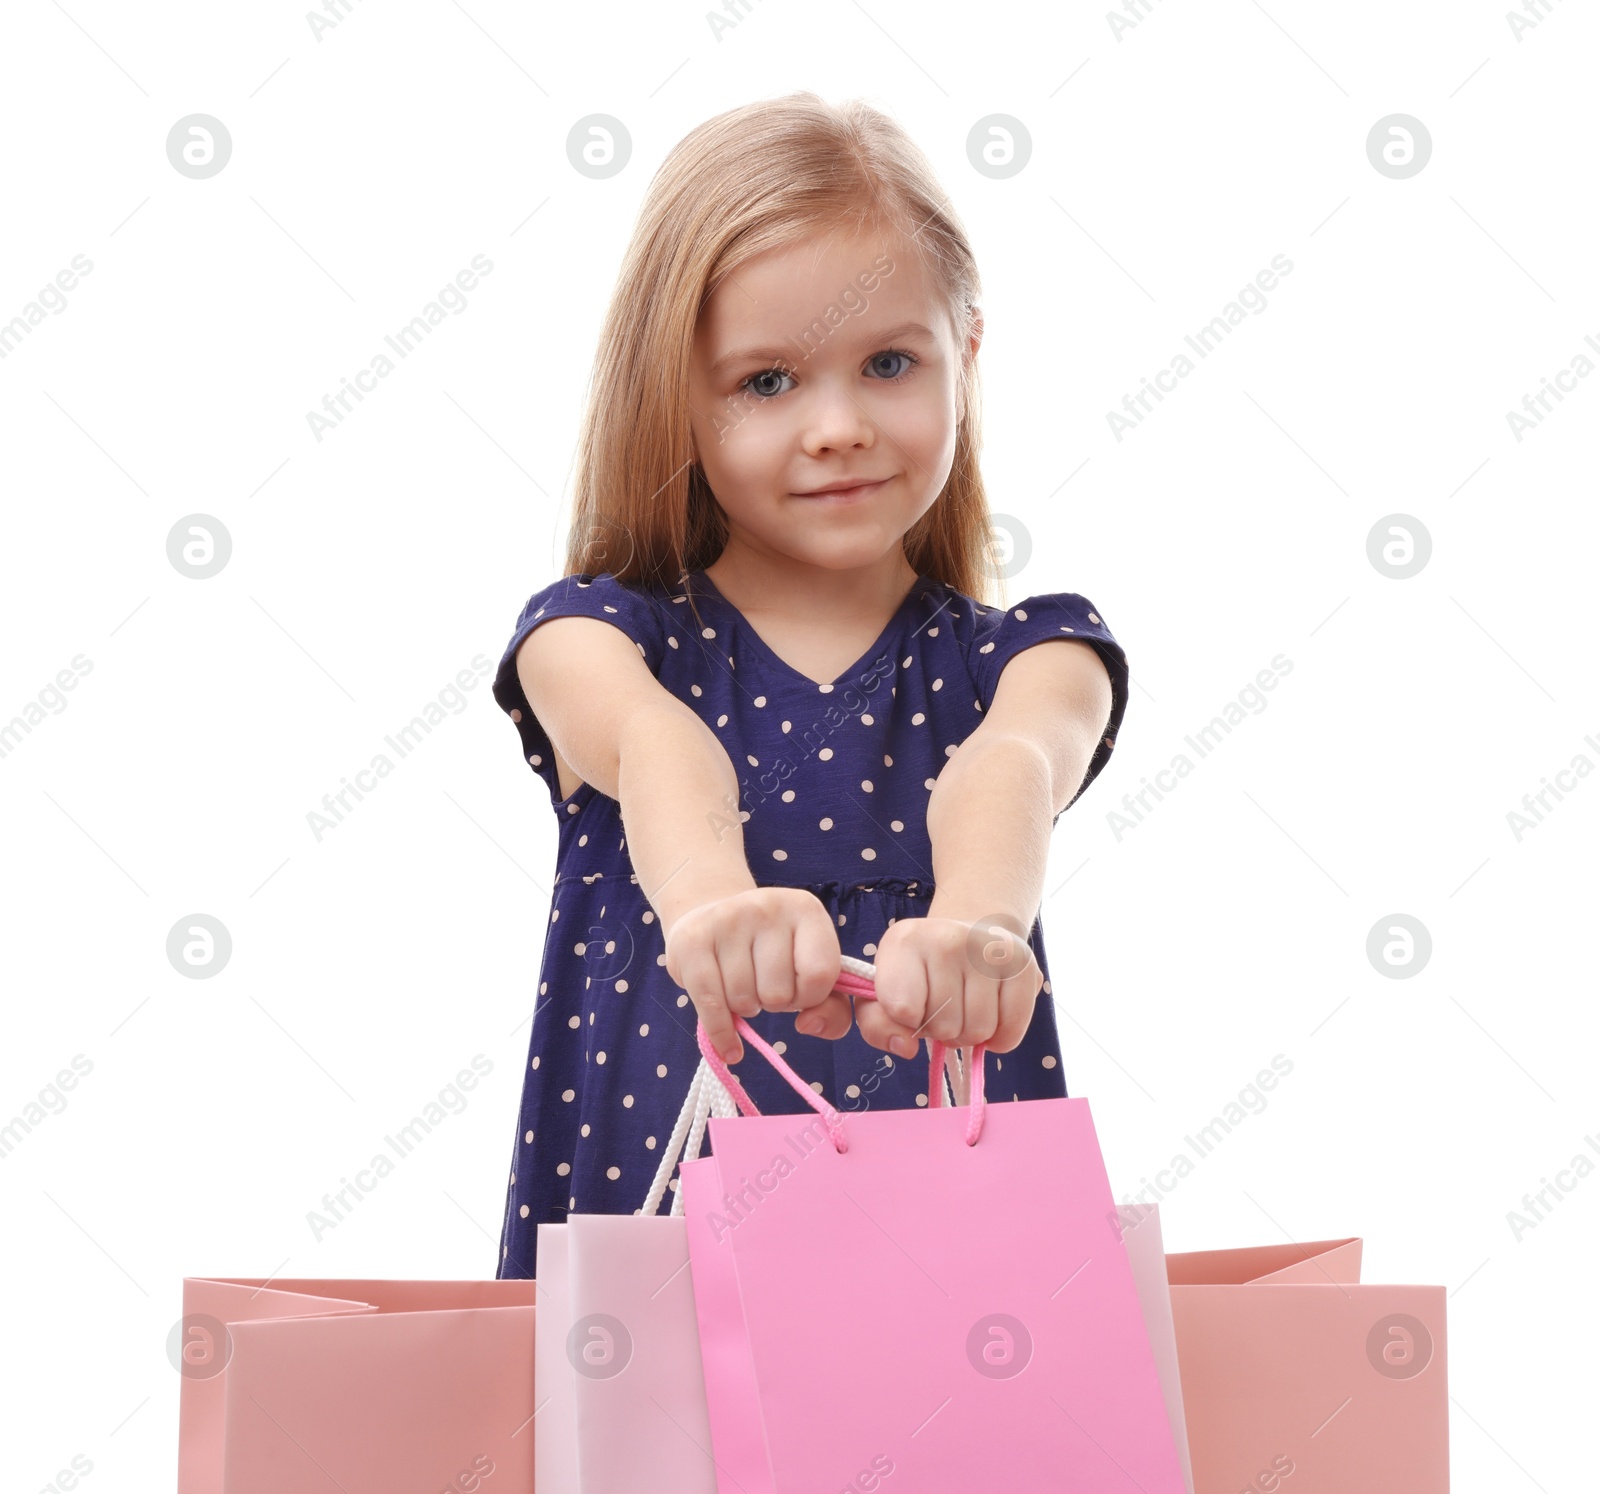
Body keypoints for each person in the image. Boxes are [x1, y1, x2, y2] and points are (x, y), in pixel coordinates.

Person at [490, 92, 1129, 1279]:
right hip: (653, 1217)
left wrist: (979, 925)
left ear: (966, 354)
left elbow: (1015, 763)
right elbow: (651, 745)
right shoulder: (591, 638)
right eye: (767, 382)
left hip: (941, 1244)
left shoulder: (1035, 657)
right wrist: (709, 908)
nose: (837, 426)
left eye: (889, 363)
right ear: (673, 391)